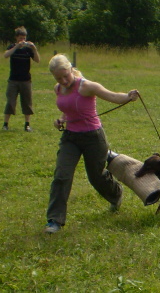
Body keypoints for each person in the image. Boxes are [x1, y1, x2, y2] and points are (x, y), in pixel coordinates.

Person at [44, 54, 139, 234]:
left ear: (71, 69)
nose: (63, 80)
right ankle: (54, 221)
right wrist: (61, 120)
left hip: (93, 137)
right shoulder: (58, 89)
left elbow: (112, 96)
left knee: (95, 176)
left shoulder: (86, 86)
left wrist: (129, 96)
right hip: (70, 138)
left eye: (66, 75)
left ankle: (115, 194)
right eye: (58, 78)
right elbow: (67, 109)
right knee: (61, 175)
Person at [3, 26, 40, 132]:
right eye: (20, 38)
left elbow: (37, 60)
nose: (22, 41)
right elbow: (6, 55)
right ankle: (5, 124)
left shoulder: (28, 49)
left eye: (24, 38)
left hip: (26, 80)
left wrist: (34, 49)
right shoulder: (12, 47)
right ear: (16, 38)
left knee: (27, 102)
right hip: (13, 80)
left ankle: (27, 125)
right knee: (10, 102)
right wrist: (16, 47)